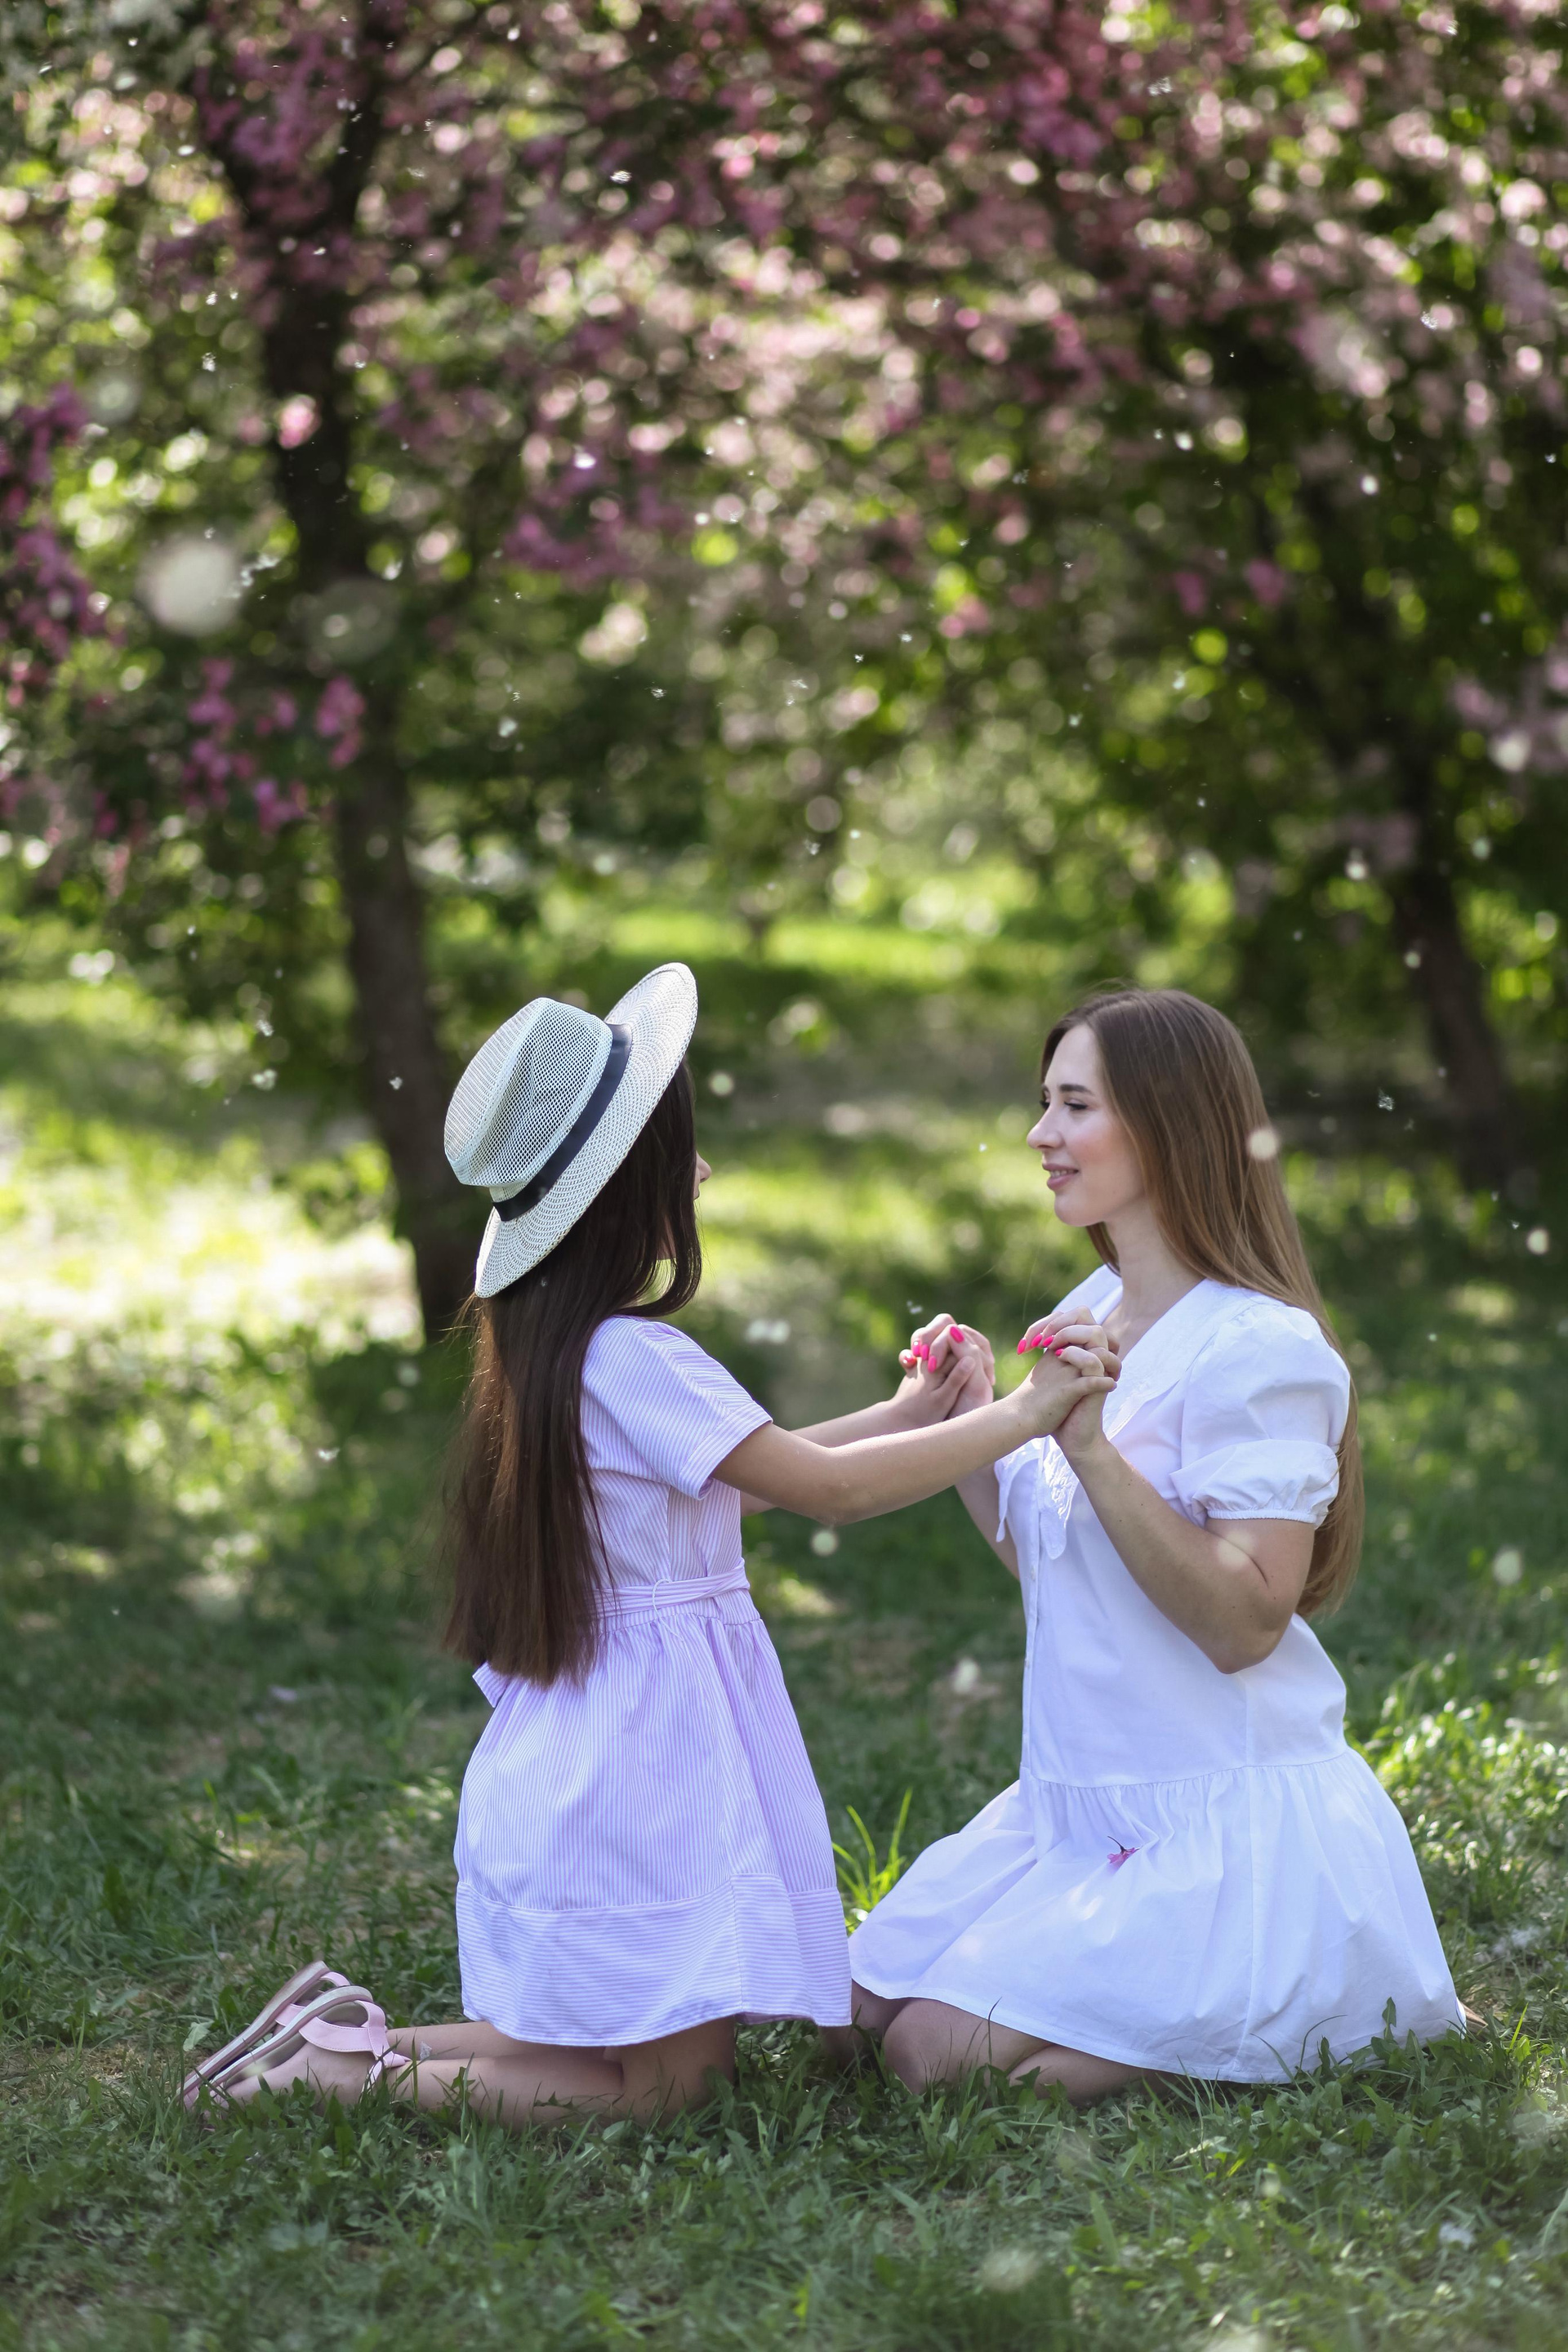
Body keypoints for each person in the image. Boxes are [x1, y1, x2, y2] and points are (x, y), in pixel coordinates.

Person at [185, 963, 1115, 2128]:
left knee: (576, 2055)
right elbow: (824, 1493)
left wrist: (912, 1413)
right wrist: (1025, 1415)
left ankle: (331, 2038)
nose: (704, 1172)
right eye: (684, 1153)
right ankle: (343, 2078)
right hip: (640, 1779)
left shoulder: (555, 1346)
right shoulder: (637, 1355)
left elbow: (744, 1482)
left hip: (592, 1763)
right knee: (672, 2095)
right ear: (631, 1185)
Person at [846, 987, 1461, 2105]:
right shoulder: (1096, 1304)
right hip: (1079, 1810)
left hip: (1217, 1829)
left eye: (1075, 1106)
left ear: (1169, 1126)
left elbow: (1245, 1624)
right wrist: (983, 1426)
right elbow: (1059, 1571)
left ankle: (1307, 2005)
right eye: (1046, 1103)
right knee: (852, 2016)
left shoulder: (1261, 1349)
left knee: (929, 2061)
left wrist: (1087, 1447)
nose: (1039, 1134)